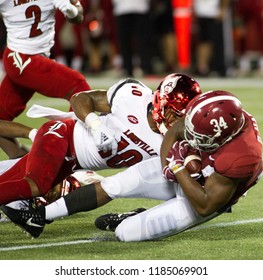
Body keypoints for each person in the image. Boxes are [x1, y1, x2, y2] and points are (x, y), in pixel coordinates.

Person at [0, 73, 202, 237]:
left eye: (181, 116)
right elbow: (80, 98)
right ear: (160, 101)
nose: (174, 121)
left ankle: (134, 216)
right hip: (62, 135)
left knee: (8, 182)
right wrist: (94, 124)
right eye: (173, 113)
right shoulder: (133, 96)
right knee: (36, 185)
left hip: (71, 164)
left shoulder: (172, 140)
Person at [94, 90, 262, 241]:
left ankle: (136, 216)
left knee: (125, 233)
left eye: (201, 138)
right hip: (202, 171)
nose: (192, 138)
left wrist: (177, 167)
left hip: (209, 195)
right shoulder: (218, 117)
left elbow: (205, 206)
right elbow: (175, 131)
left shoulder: (241, 158)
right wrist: (167, 167)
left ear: (224, 137)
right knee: (120, 184)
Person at [0, 0, 91, 159]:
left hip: (34, 58)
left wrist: (72, 11)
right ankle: (71, 155)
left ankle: (20, 158)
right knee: (79, 87)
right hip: (21, 58)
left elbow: (79, 17)